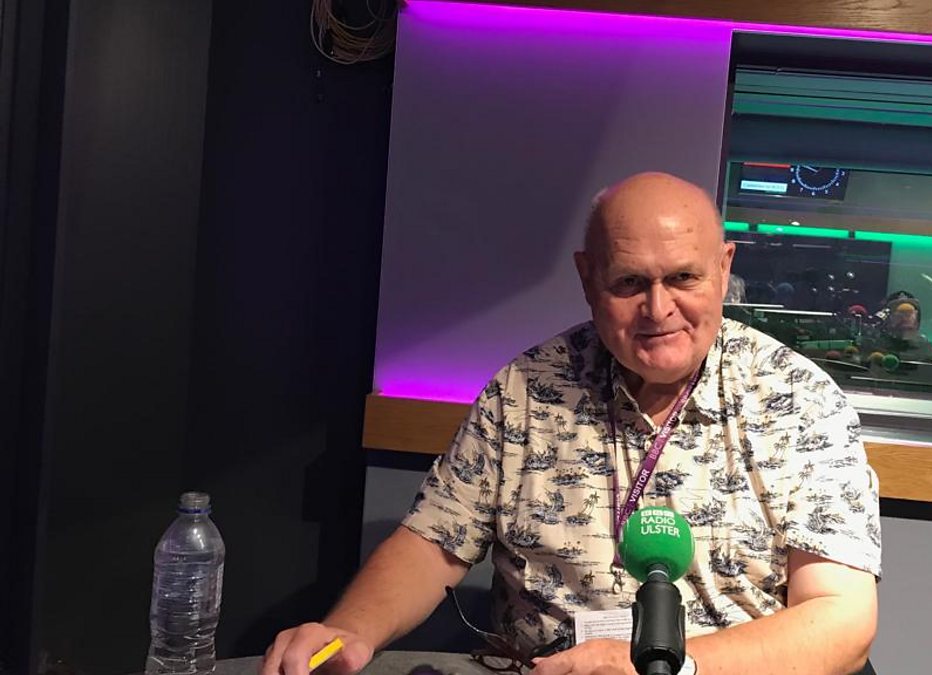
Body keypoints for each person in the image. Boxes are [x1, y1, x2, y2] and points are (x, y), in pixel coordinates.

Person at [262, 172, 881, 675]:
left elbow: (841, 620)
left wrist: (675, 667)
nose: (658, 308)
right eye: (629, 282)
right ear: (588, 278)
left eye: (683, 277)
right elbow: (431, 543)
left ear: (723, 269)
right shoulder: (526, 389)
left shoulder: (800, 400)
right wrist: (351, 630)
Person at [857, 291, 932, 396]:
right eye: (899, 312)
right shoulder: (873, 346)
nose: (905, 316)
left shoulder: (926, 349)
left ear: (917, 317)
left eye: (910, 312)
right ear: (888, 317)